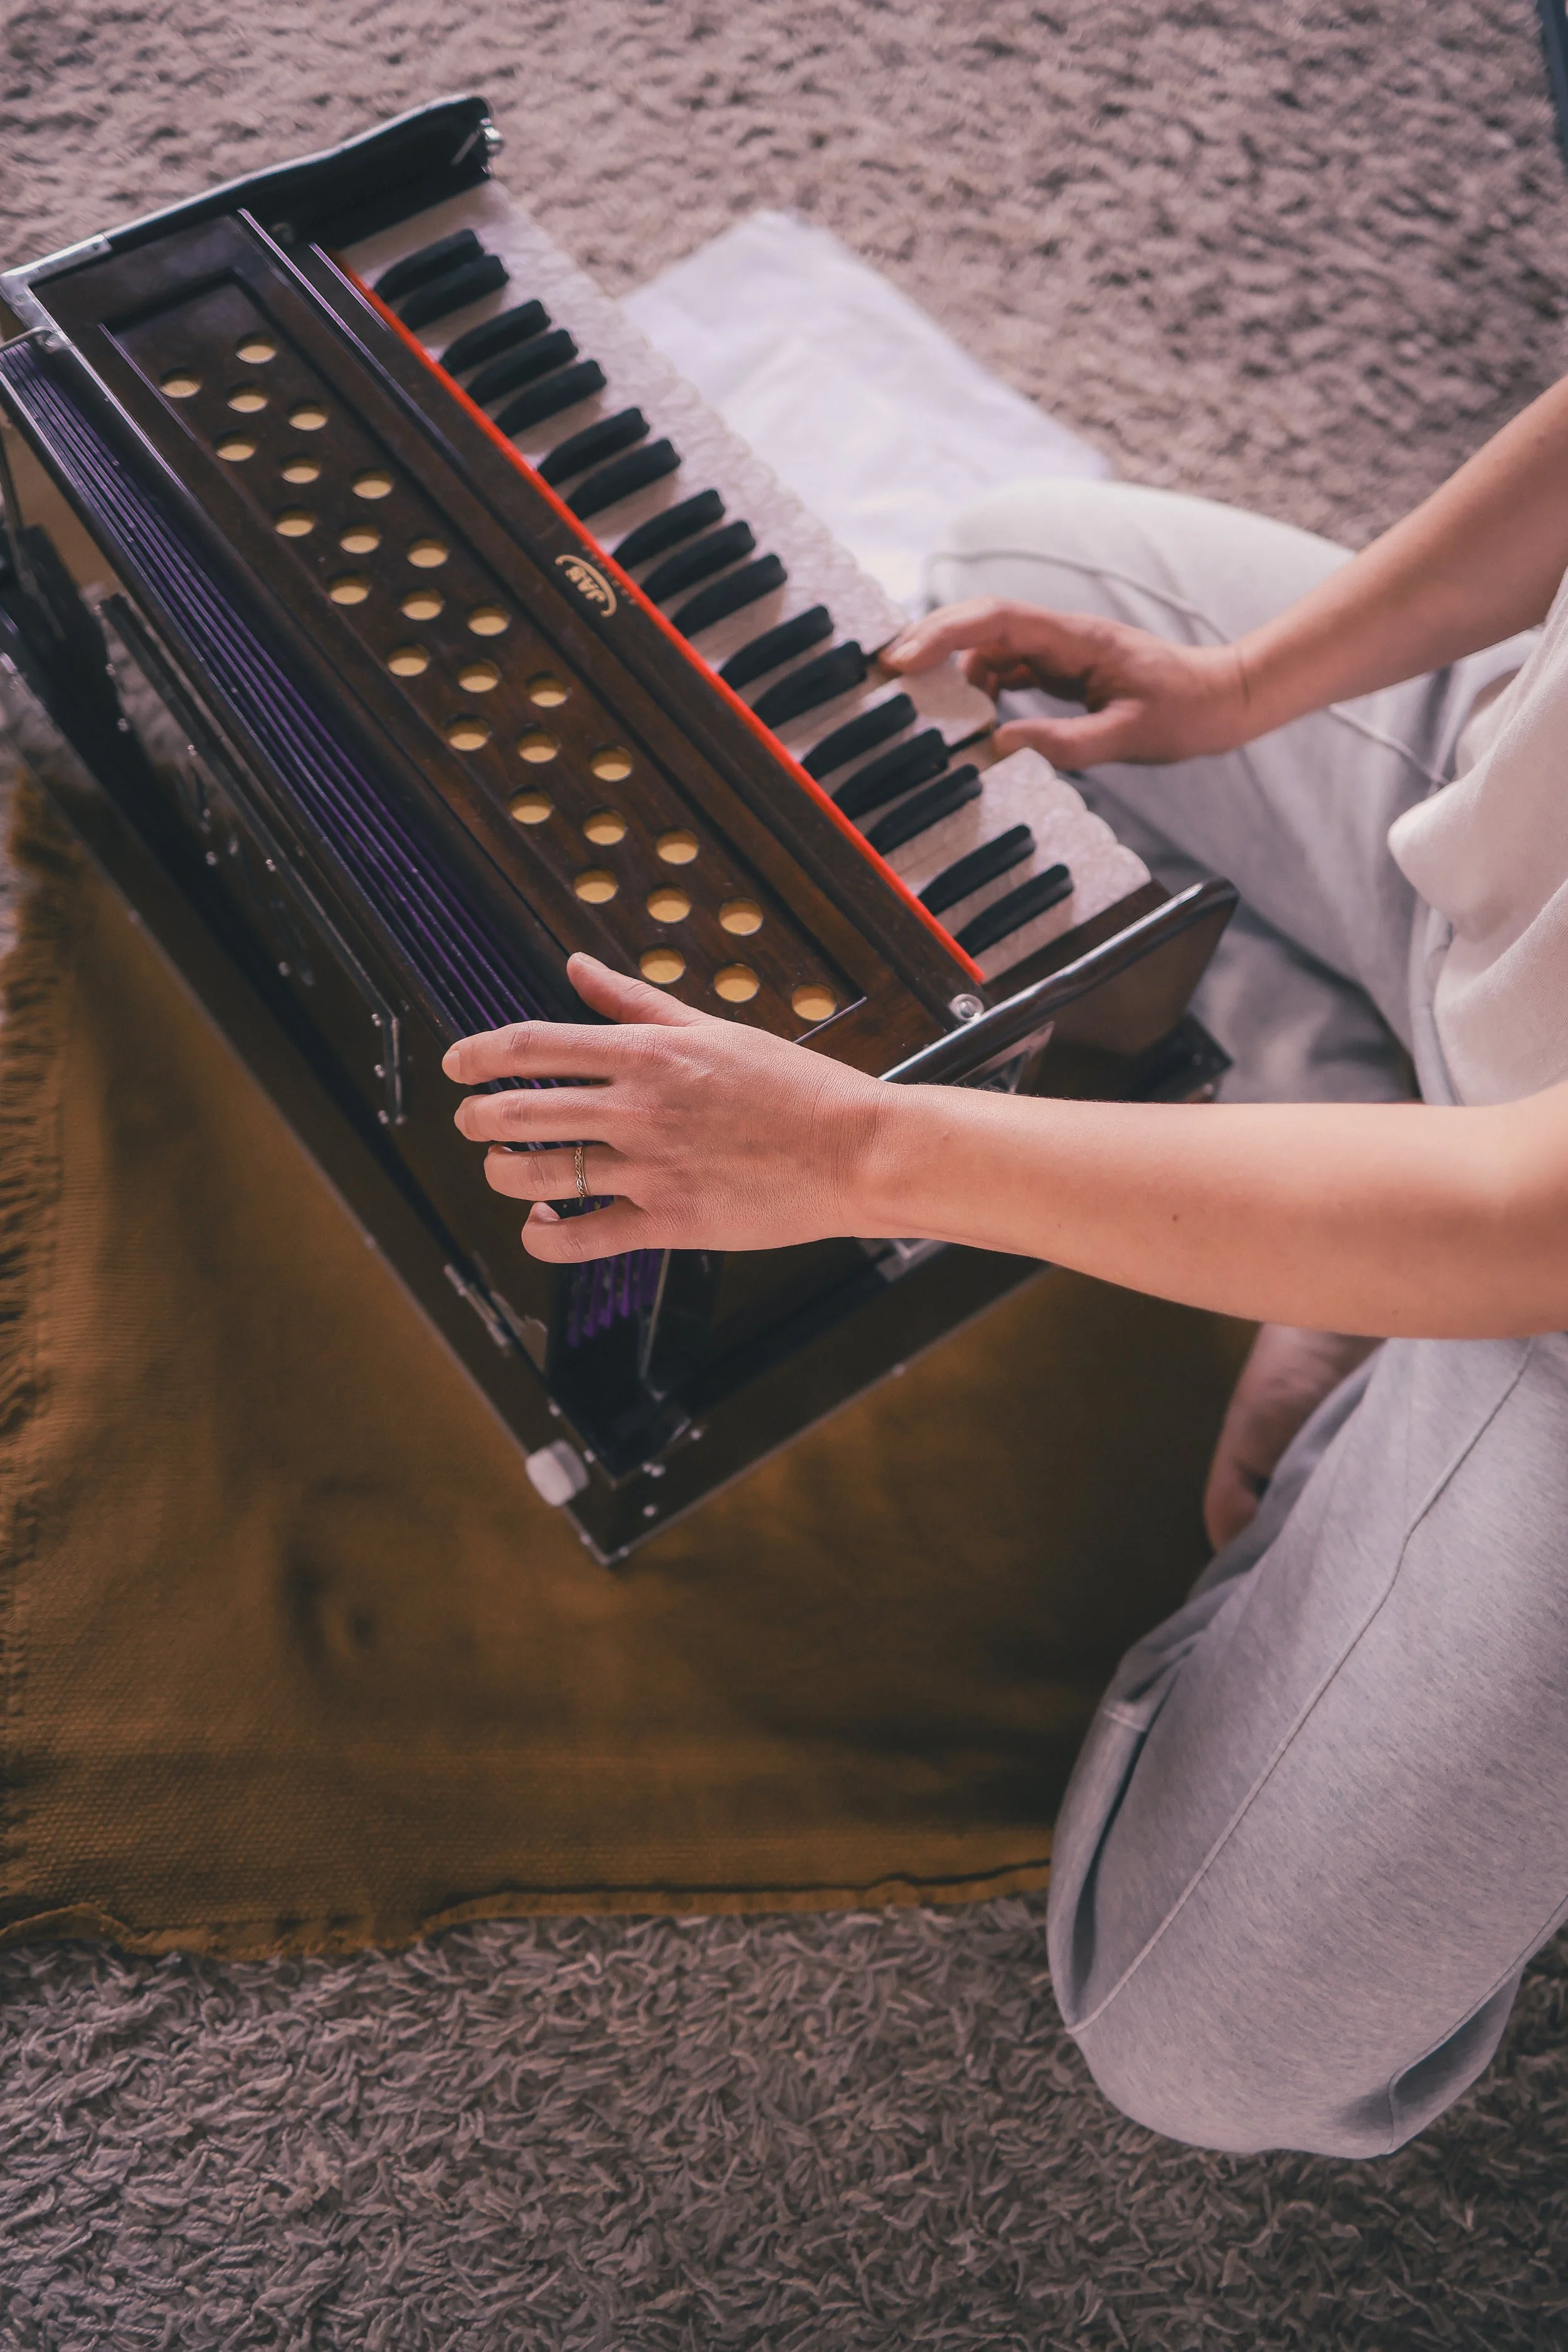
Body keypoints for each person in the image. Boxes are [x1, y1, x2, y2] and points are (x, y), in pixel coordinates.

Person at [442, 380, 1568, 2159]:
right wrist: (1248, 685)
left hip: (1543, 1259)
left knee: (1186, 2032)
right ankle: (1346, 1136)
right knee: (988, 617)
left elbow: (1529, 1209)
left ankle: (1396, 1346)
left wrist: (849, 1150)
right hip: (1526, 853)